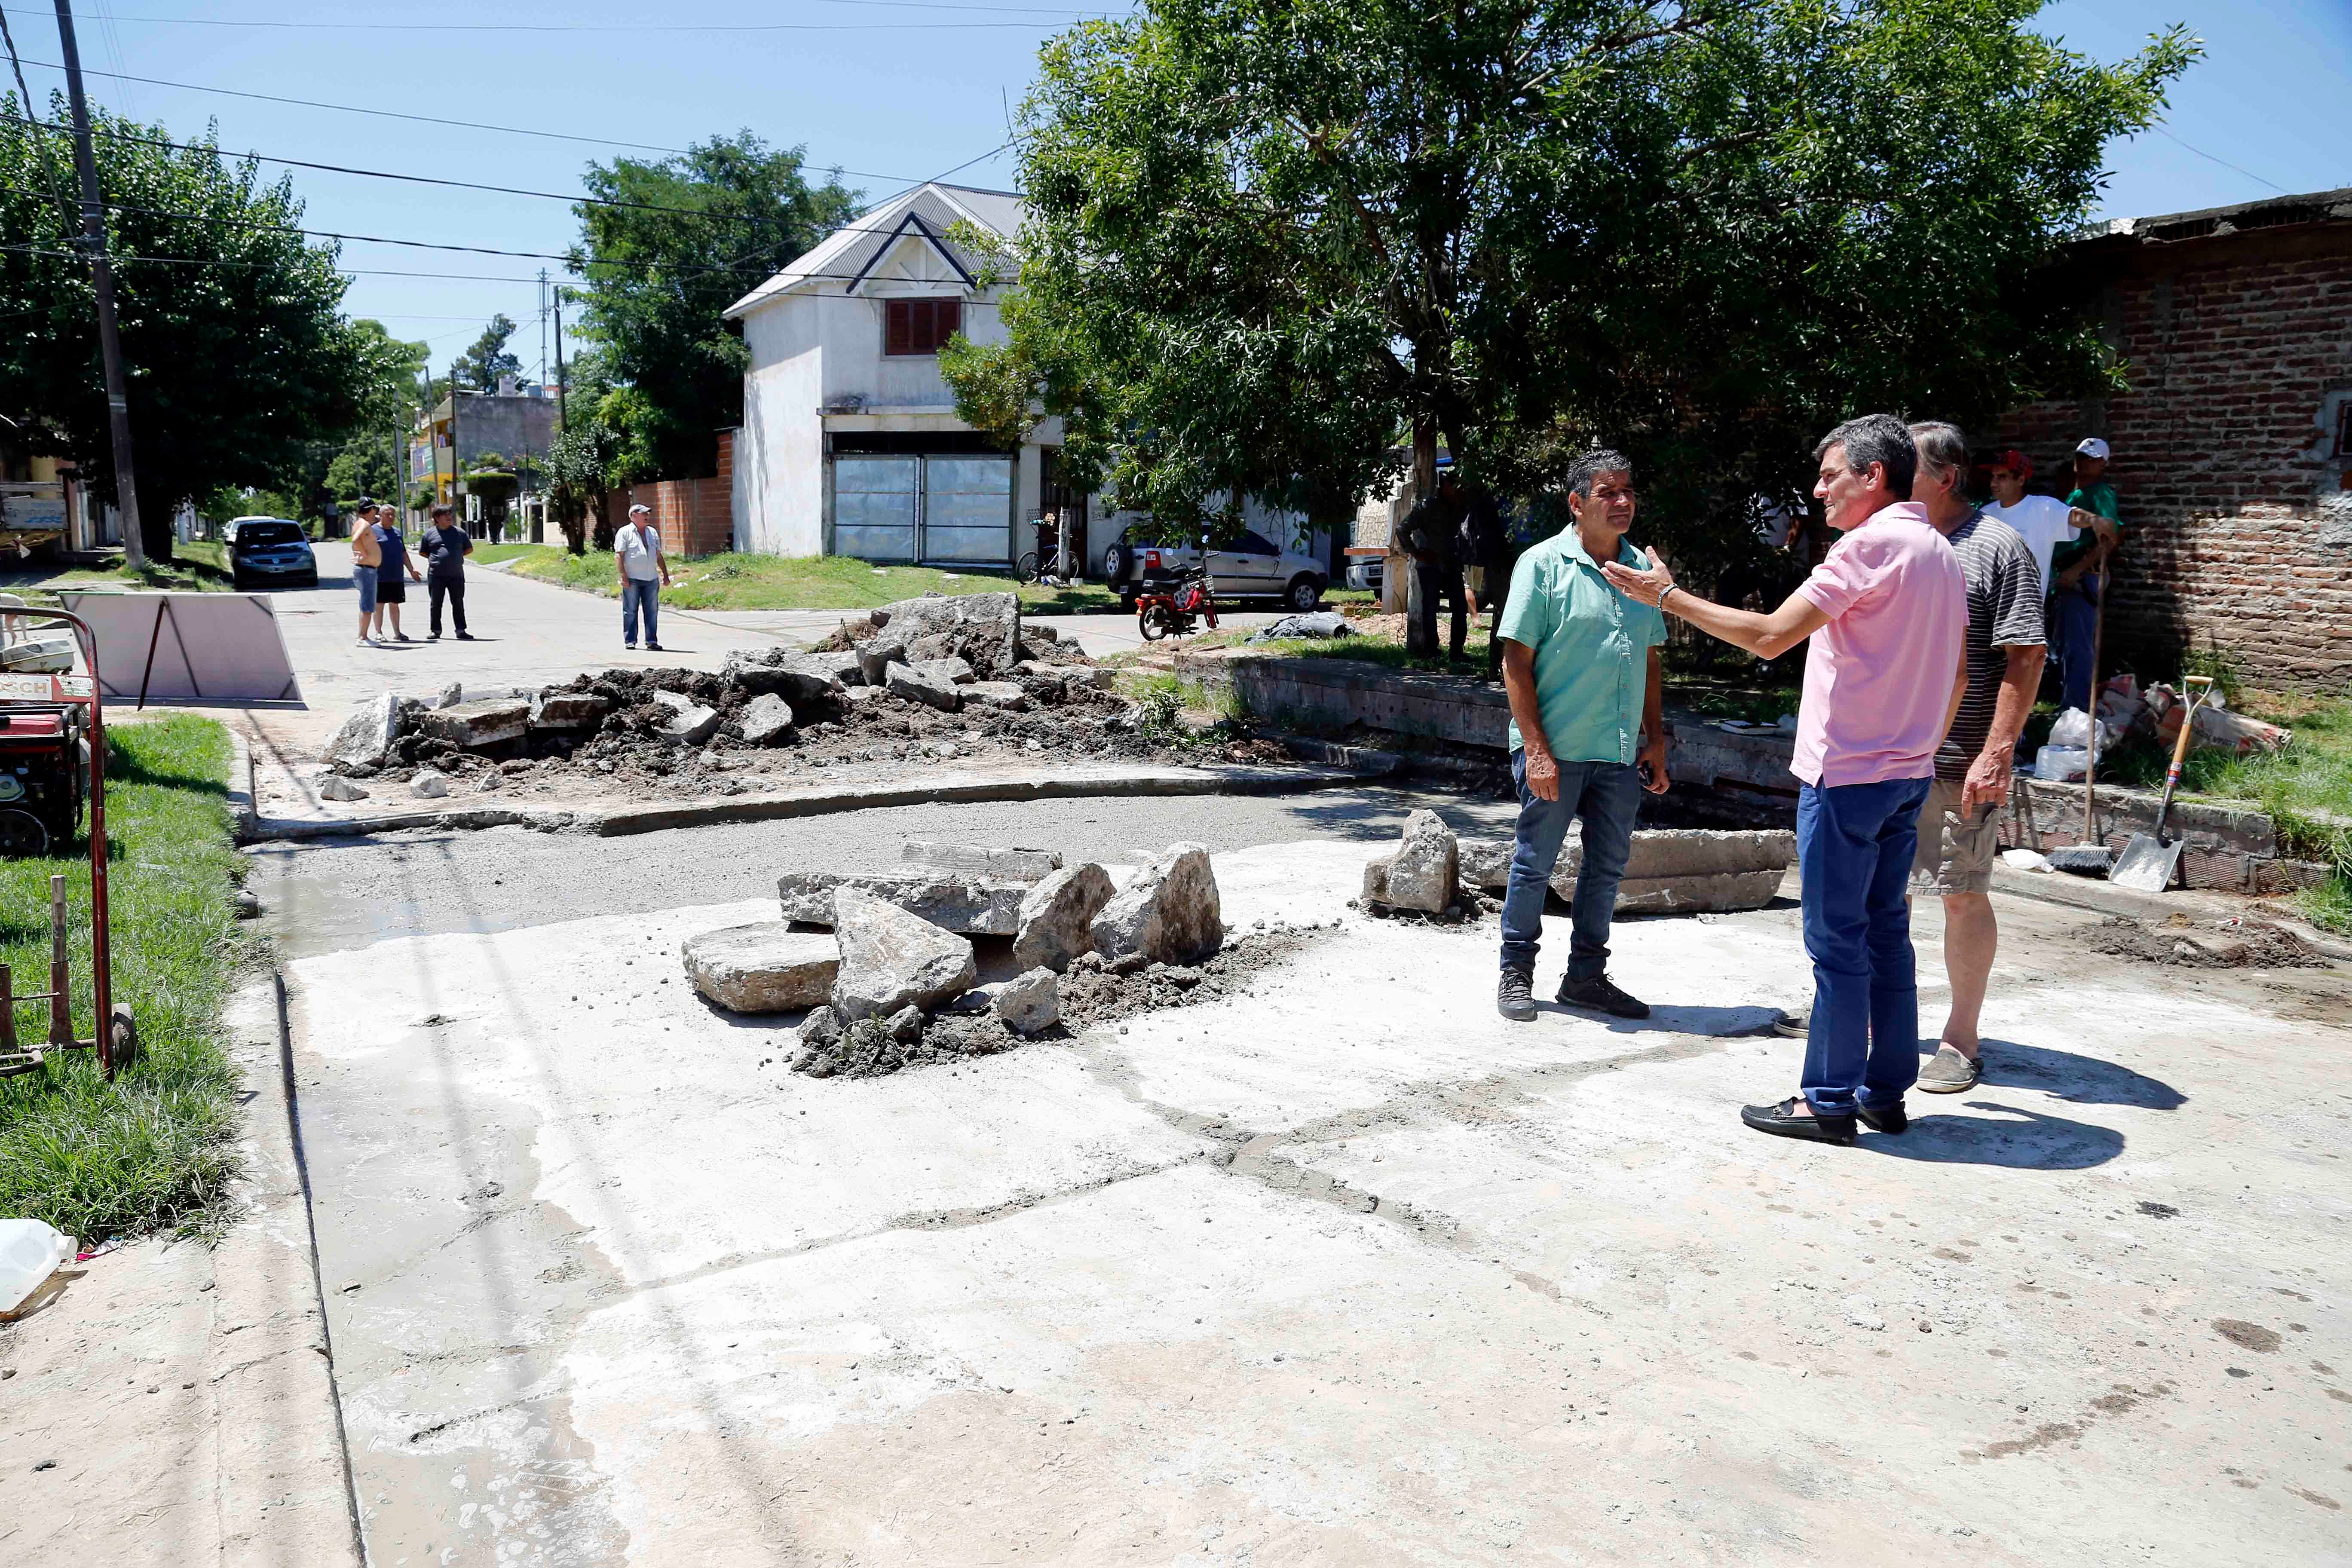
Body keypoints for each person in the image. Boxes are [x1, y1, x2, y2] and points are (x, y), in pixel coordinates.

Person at [1603, 414, 1966, 1144]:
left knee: (1837, 943)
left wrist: (1664, 597)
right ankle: (1882, 1091)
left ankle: (1826, 1101)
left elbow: (1770, 635)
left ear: (1873, 476)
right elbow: (1957, 672)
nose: (1818, 489)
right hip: (1905, 774)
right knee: (1886, 934)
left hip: (1848, 776)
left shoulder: (1867, 549)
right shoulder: (1939, 550)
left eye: (1832, 474)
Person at [1494, 449, 1670, 1023]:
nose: (1622, 503)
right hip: (1557, 751)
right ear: (1577, 503)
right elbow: (1514, 663)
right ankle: (1517, 971)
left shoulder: (1644, 571)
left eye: (1628, 492)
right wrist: (1537, 753)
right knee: (1533, 865)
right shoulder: (1542, 566)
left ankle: (1587, 978)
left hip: (1618, 754)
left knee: (1608, 866)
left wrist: (1655, 739)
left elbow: (1649, 658)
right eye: (1607, 493)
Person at [1905, 423, 2048, 1094]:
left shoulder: (1997, 548)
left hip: (1961, 759)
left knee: (1961, 895)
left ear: (1945, 478)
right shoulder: (1896, 542)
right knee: (1881, 901)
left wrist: (1997, 751)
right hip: (1889, 757)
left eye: (1903, 470)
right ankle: (1876, 1021)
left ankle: (1961, 1039)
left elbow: (2026, 655)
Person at [1978, 448, 2115, 608]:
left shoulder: (2043, 507)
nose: (1993, 483)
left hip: (2025, 614)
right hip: (1987, 611)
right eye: (1993, 477)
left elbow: (2072, 516)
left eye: (2002, 477)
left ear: (2021, 480)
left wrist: (2094, 520)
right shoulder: (1984, 514)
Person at [2049, 437, 2125, 710]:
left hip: (2084, 575)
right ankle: (2066, 707)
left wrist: (2076, 570)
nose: (2085, 463)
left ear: (2104, 464)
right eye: (2082, 457)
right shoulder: (2077, 493)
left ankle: (2076, 712)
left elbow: (2110, 538)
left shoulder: (2101, 493)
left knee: (2078, 648)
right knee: (2063, 647)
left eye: (2092, 459)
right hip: (2069, 574)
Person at [1399, 471, 1470, 660]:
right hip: (1430, 566)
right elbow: (1402, 530)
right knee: (1430, 609)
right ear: (1444, 486)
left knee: (1460, 608)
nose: (1456, 490)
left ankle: (1457, 651)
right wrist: (1416, 553)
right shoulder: (1427, 506)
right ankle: (1432, 652)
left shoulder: (1460, 504)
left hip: (1452, 564)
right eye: (1452, 485)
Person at [616, 502, 671, 651]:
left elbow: (659, 556)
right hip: (632, 578)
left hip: (651, 579)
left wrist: (665, 574)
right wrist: (624, 576)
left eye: (648, 513)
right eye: (644, 513)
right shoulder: (625, 532)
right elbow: (620, 556)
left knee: (652, 611)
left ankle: (652, 641)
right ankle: (630, 640)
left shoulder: (652, 532)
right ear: (634, 516)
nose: (647, 516)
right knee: (631, 611)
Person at [418, 502, 475, 642]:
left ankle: (461, 630)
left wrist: (453, 558)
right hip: (436, 575)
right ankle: (435, 630)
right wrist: (438, 560)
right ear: (437, 518)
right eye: (445, 514)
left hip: (456, 574)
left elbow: (469, 549)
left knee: (458, 602)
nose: (449, 516)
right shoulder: (429, 534)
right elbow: (424, 552)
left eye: (450, 514)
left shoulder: (460, 533)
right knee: (436, 603)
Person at [367, 503, 422, 643]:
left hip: (396, 575)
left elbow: (403, 553)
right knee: (379, 604)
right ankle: (378, 632)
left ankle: (397, 633)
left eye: (393, 515)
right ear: (380, 515)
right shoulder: (373, 531)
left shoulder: (397, 532)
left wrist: (412, 570)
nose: (391, 517)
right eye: (388, 514)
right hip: (379, 576)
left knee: (395, 604)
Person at [349, 495, 382, 646]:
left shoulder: (359, 523)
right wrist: (365, 554)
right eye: (375, 509)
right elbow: (356, 539)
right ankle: (363, 638)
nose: (376, 512)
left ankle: (363, 636)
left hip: (366, 569)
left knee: (366, 604)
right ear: (370, 510)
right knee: (368, 605)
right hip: (366, 569)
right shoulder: (365, 525)